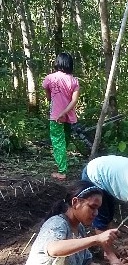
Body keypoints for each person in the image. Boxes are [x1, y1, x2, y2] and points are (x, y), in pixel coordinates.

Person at [42, 52, 80, 181]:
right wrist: (65, 112)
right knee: (64, 142)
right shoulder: (74, 80)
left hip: (56, 116)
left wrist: (60, 111)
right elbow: (74, 101)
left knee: (58, 143)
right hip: (69, 117)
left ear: (58, 62)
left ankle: (62, 172)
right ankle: (62, 164)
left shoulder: (49, 78)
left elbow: (48, 95)